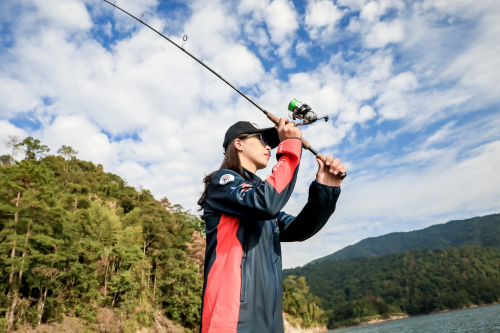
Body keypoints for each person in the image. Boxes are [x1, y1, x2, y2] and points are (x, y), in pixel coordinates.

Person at [197, 118, 345, 333]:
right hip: (232, 320)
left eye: (271, 143)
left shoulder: (259, 196)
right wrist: (291, 147)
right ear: (238, 143)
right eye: (262, 139)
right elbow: (265, 203)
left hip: (269, 322)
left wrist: (325, 189)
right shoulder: (222, 182)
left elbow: (300, 229)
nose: (268, 146)